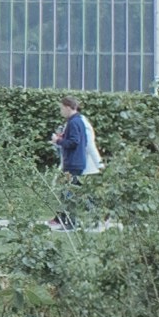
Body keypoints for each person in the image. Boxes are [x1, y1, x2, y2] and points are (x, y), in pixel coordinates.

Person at [50, 98, 101, 230]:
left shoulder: (74, 122)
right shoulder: (77, 121)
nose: (61, 111)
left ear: (68, 107)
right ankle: (95, 216)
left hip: (73, 162)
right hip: (76, 162)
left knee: (68, 193)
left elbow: (74, 142)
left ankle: (72, 222)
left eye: (62, 108)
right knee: (77, 192)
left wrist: (58, 141)